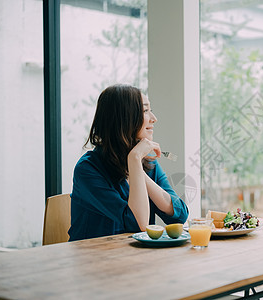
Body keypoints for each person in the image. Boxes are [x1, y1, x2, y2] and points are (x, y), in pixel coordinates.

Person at [69, 84, 189, 241]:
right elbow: (136, 224)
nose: (154, 118)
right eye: (145, 111)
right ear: (124, 119)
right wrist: (134, 159)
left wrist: (136, 166)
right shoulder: (88, 169)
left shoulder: (146, 163)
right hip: (95, 259)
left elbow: (178, 216)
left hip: (134, 258)